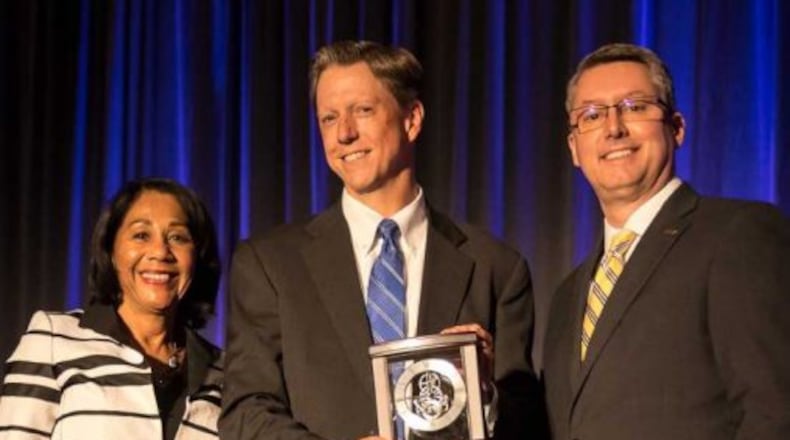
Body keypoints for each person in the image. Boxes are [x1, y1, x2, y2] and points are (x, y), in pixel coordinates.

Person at [221, 40, 545, 440]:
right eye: (328, 118)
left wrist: (486, 393)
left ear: (411, 119)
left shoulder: (496, 267)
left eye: (363, 111)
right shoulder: (270, 264)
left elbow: (527, 423)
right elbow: (246, 411)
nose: (344, 134)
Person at [542, 42, 790, 439]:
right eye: (591, 115)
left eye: (635, 107)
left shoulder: (738, 235)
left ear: (676, 128)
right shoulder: (568, 296)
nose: (613, 128)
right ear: (574, 148)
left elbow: (774, 411)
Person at [0, 178, 224, 439]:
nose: (160, 252)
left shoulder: (224, 371)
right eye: (141, 235)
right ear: (111, 250)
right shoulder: (53, 338)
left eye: (177, 237)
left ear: (197, 256)